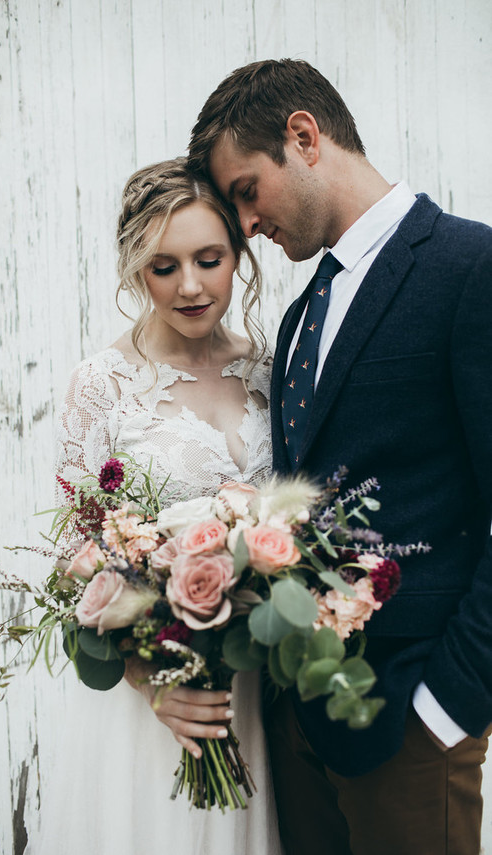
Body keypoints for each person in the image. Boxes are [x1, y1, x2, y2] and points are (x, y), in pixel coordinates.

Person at [188, 58, 492, 855]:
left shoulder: (471, 268)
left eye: (247, 191)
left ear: (303, 136)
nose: (245, 225)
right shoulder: (297, 324)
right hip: (298, 723)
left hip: (410, 723)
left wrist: (447, 710)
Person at [31, 158, 281, 854]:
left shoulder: (271, 370)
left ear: (238, 257)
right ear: (134, 269)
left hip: (253, 690)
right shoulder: (102, 384)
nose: (192, 285)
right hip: (152, 703)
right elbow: (69, 562)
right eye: (164, 266)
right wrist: (154, 686)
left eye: (210, 258)